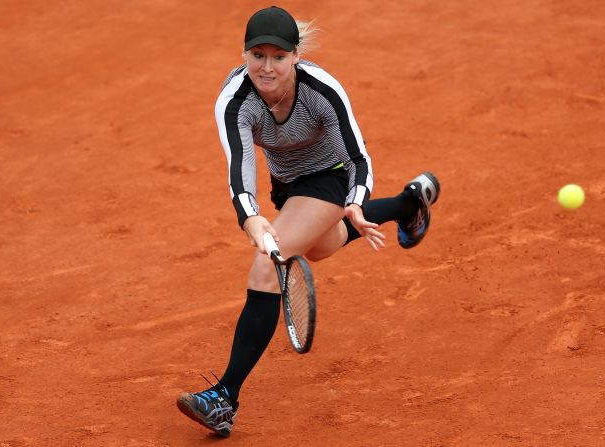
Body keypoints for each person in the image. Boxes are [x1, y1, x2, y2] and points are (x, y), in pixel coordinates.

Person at [176, 6, 440, 437]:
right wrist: (252, 219)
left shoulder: (321, 90)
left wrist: (355, 201)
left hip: (332, 175)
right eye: (257, 55)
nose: (267, 66)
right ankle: (408, 205)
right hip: (288, 185)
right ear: (244, 55)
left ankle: (224, 397)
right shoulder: (235, 101)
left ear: (294, 56)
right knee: (323, 245)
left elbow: (357, 158)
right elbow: (239, 167)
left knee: (267, 265)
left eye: (278, 57)